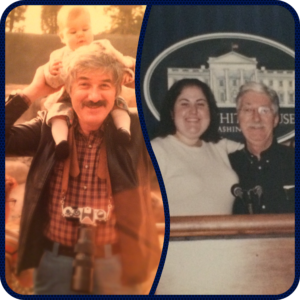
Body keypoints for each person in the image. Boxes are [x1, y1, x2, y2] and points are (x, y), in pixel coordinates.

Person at [5, 46, 161, 294]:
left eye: (105, 85)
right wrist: (33, 91)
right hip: (53, 261)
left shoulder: (136, 128)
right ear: (68, 89)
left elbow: (177, 125)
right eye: (84, 84)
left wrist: (141, 76)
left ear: (117, 91)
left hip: (118, 264)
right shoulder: (49, 127)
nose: (94, 96)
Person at [28, 6, 135, 160]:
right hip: (66, 97)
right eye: (73, 32)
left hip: (102, 95)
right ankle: (61, 142)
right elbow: (52, 82)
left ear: (92, 30)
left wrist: (127, 73)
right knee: (57, 114)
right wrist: (51, 72)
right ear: (62, 36)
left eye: (85, 29)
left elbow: (120, 63)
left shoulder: (102, 47)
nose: (80, 34)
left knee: (120, 106)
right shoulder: (59, 55)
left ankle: (124, 130)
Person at [151, 78, 242, 216]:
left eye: (200, 104)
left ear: (210, 112)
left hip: (225, 237)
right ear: (171, 112)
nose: (193, 111)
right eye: (184, 104)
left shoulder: (220, 147)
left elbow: (262, 149)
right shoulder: (156, 150)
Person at [229, 82, 294, 214]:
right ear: (238, 119)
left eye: (264, 110)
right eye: (248, 110)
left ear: (275, 119)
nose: (256, 118)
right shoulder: (226, 166)